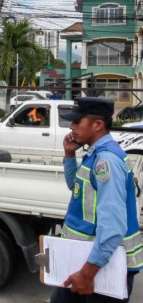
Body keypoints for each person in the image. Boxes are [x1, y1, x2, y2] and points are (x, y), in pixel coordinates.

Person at [50, 97, 143, 303]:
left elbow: (112, 226)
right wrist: (69, 155)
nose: (71, 127)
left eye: (76, 122)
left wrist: (88, 273)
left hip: (102, 267)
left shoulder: (106, 161)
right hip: (86, 259)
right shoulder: (95, 153)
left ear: (98, 125)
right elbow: (77, 188)